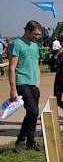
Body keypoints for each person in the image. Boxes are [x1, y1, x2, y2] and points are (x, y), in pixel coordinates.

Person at [8, 21, 42, 152]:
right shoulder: (16, 44)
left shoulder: (35, 46)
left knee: (32, 114)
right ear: (27, 30)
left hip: (34, 84)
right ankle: (21, 140)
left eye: (39, 34)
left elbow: (37, 65)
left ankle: (31, 142)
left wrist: (38, 81)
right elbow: (12, 68)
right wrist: (13, 89)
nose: (37, 37)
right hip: (21, 82)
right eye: (35, 34)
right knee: (33, 111)